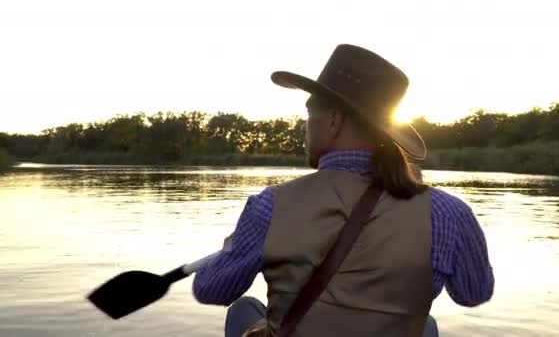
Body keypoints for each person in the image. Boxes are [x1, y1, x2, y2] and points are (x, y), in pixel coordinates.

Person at [192, 44, 494, 337]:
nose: (304, 129)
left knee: (243, 309)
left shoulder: (269, 206)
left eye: (309, 116)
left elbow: (211, 289)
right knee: (425, 324)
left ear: (334, 120)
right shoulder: (448, 213)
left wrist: (236, 246)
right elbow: (473, 292)